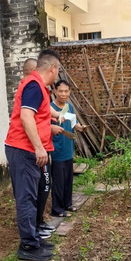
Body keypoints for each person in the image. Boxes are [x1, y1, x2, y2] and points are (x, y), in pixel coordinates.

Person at [5, 49, 63, 261]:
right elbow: (26, 116)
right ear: (52, 69)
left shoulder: (38, 86)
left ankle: (33, 239)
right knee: (26, 198)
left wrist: (43, 147)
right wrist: (39, 148)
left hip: (28, 149)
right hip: (23, 149)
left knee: (33, 196)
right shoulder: (34, 86)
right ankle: (28, 247)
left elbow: (42, 116)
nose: (57, 75)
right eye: (58, 71)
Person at [50, 79, 86, 217]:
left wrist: (80, 127)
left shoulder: (69, 107)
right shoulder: (50, 108)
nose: (63, 94)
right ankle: (57, 209)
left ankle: (68, 204)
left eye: (66, 91)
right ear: (55, 92)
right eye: (60, 91)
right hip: (56, 150)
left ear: (69, 92)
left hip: (68, 149)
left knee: (68, 180)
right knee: (58, 181)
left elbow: (73, 123)